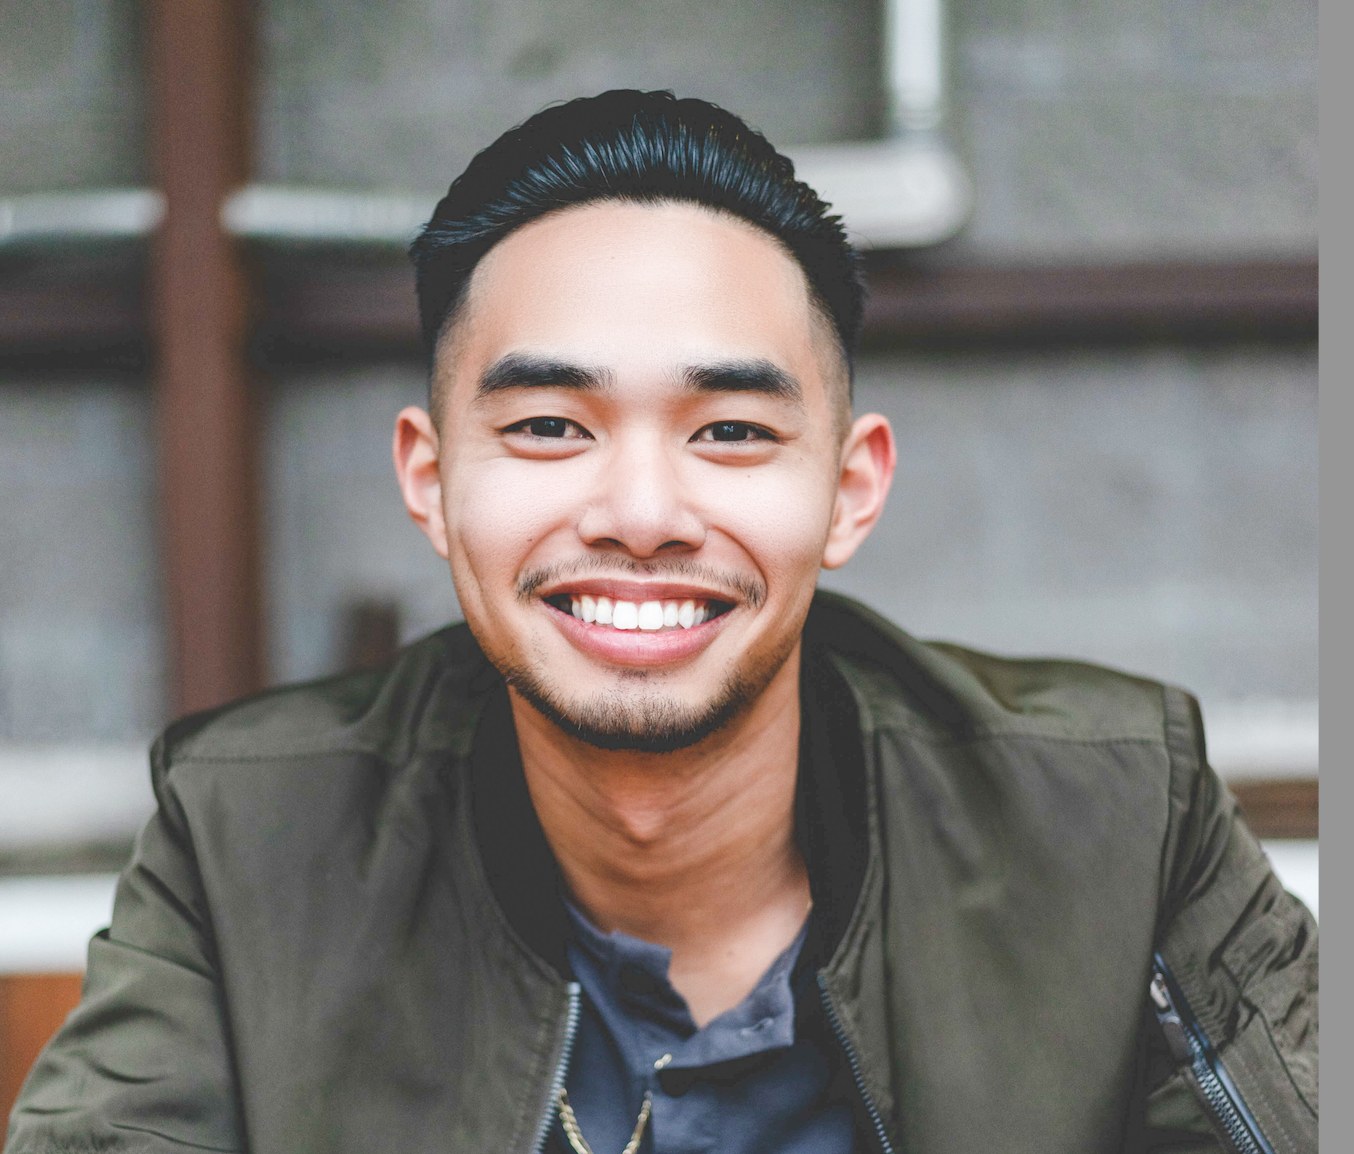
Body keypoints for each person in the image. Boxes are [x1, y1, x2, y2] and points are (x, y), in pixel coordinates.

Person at [6, 90, 1316, 1154]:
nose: (640, 512)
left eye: (730, 431)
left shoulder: (1114, 815)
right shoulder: (248, 838)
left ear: (850, 487)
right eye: (548, 426)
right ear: (431, 480)